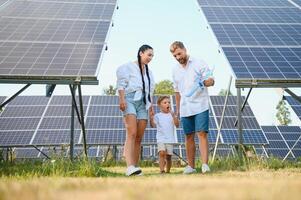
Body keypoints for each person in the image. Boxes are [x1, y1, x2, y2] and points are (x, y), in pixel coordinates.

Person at [170, 41, 214, 174]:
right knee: (188, 136)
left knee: (201, 133)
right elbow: (177, 92)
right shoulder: (175, 70)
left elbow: (211, 80)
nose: (178, 58)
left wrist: (207, 82)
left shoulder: (199, 63)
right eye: (175, 56)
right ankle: (191, 166)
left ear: (185, 49)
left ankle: (205, 165)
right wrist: (177, 111)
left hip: (200, 105)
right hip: (185, 108)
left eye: (179, 53)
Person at [116, 44, 155, 176]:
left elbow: (150, 92)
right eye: (149, 54)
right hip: (130, 99)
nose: (151, 58)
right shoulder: (127, 67)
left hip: (143, 103)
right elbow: (120, 85)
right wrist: (122, 100)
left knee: (139, 136)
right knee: (131, 133)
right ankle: (129, 167)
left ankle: (135, 167)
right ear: (141, 53)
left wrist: (151, 110)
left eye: (152, 56)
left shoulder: (149, 73)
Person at [150, 96, 179, 174]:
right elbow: (153, 125)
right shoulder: (157, 116)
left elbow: (177, 125)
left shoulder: (172, 115)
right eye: (165, 102)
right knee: (162, 153)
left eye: (169, 102)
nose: (168, 104)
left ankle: (168, 171)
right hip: (161, 138)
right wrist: (151, 117)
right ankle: (162, 170)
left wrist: (174, 116)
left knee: (169, 156)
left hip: (170, 139)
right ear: (160, 105)